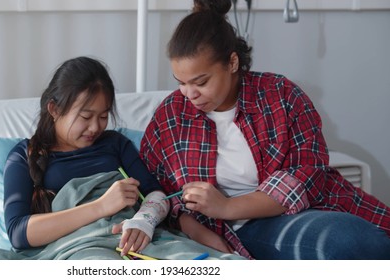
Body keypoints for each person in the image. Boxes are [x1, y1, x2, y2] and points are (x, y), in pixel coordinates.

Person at [140, 0, 390, 260]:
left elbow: (307, 173)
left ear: (232, 63)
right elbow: (156, 189)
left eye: (201, 82)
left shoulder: (280, 95)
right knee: (348, 243)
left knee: (366, 240)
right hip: (237, 229)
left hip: (301, 210)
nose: (190, 94)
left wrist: (226, 206)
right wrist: (196, 230)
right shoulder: (171, 115)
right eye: (181, 83)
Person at [3, 56, 170, 257]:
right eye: (85, 117)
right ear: (54, 109)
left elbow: (157, 194)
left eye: (103, 116)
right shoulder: (24, 156)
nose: (95, 127)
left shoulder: (115, 144)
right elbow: (18, 233)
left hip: (133, 243)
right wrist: (101, 206)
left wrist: (144, 222)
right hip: (81, 249)